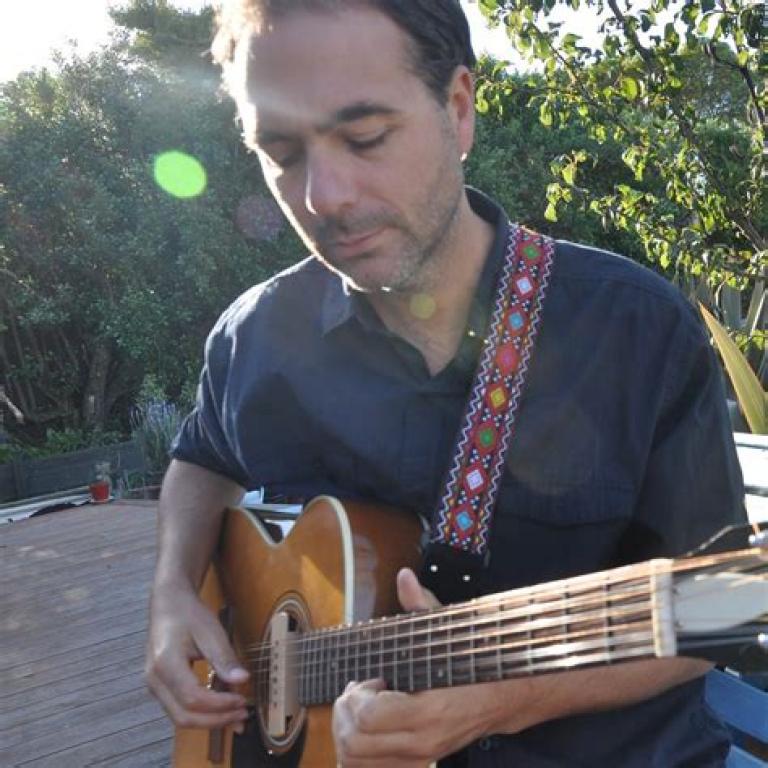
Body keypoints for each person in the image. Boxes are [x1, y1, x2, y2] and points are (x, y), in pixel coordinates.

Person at [145, 1, 747, 765]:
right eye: (283, 153)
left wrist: (504, 698)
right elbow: (200, 456)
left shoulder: (636, 330)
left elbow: (726, 605)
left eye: (365, 137)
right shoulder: (256, 337)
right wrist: (171, 589)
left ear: (458, 109)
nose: (323, 195)